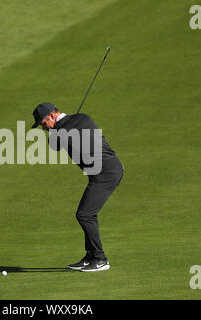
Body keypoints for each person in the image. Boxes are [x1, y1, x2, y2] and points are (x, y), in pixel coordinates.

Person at [31, 102, 124, 272]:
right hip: (98, 174)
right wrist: (58, 130)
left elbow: (71, 133)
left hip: (107, 173)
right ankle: (90, 257)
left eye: (43, 124)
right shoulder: (61, 131)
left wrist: (60, 130)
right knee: (86, 214)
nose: (43, 128)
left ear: (51, 116)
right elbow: (55, 145)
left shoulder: (82, 119)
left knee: (85, 214)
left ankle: (100, 259)